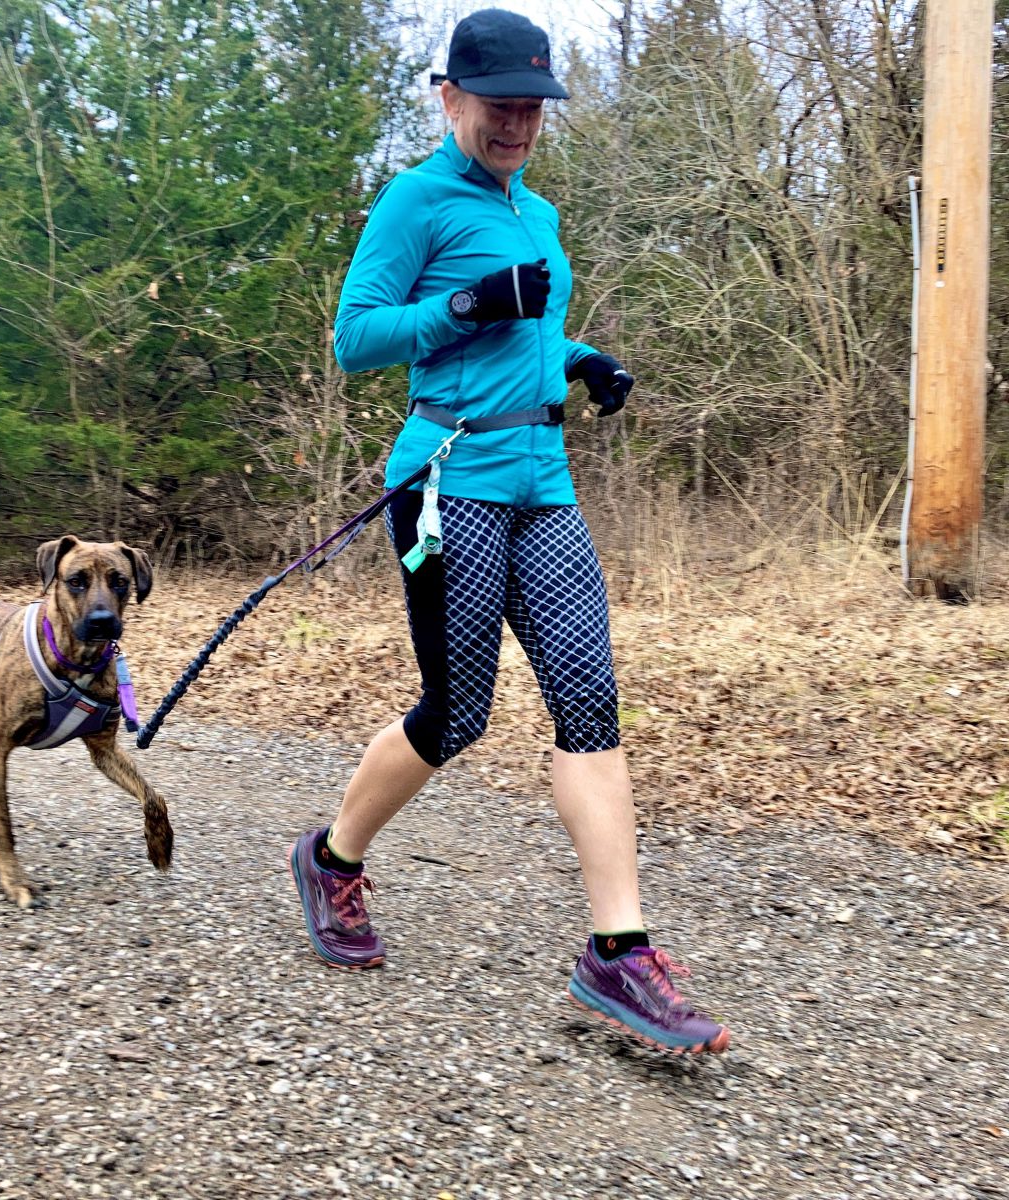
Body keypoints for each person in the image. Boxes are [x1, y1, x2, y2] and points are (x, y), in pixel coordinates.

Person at [288, 8, 729, 1056]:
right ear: (450, 101)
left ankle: (618, 954)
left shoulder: (538, 210)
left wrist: (576, 357)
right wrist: (463, 306)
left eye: (532, 109)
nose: (518, 125)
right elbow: (357, 338)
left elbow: (523, 324)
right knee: (459, 711)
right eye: (500, 107)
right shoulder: (414, 201)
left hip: (544, 479)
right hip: (450, 482)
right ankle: (334, 859)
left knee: (588, 701)